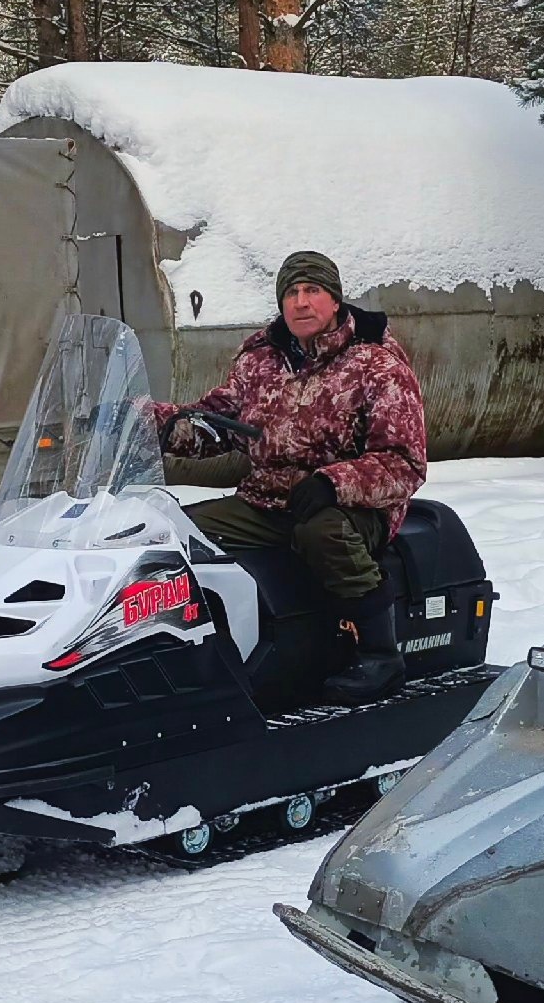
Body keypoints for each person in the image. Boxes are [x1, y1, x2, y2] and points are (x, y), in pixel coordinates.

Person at [152, 250, 427, 704]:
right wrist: (148, 421)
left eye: (312, 291)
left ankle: (380, 654)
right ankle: (191, 649)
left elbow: (404, 462)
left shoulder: (376, 365)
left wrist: (333, 483)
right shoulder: (261, 359)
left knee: (324, 531)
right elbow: (218, 422)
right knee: (178, 533)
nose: (301, 302)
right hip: (266, 501)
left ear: (335, 300)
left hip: (354, 507)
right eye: (292, 292)